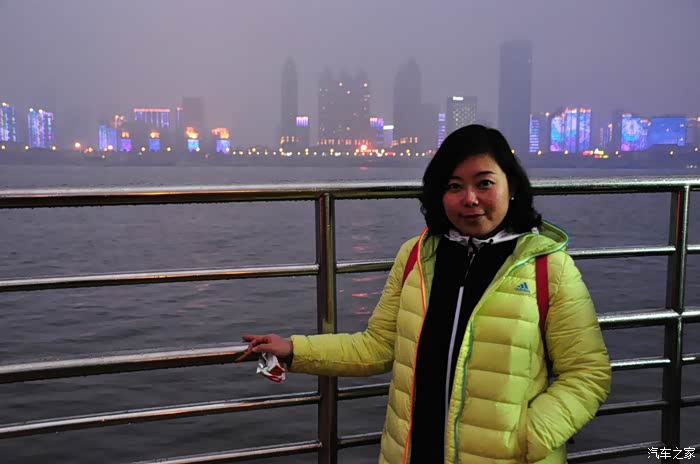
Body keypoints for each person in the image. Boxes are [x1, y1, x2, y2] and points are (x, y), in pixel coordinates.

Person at [244, 125, 611, 464]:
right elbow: (378, 346)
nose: (470, 199)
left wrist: (529, 437)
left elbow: (587, 374)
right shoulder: (417, 257)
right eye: (454, 186)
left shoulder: (547, 267)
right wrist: (293, 350)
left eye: (484, 183)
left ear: (511, 186)